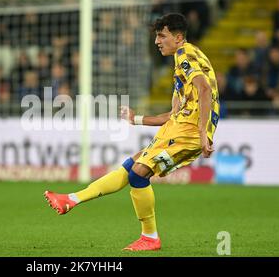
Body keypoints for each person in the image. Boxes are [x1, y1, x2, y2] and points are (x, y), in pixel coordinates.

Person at [44, 13, 219, 251]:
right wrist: (134, 119)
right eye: (157, 36)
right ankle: (71, 200)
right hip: (177, 127)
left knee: (139, 173)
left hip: (187, 131)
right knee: (130, 167)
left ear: (178, 38)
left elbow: (205, 90)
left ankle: (150, 237)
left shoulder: (184, 54)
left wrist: (202, 133)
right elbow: (171, 115)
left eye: (162, 36)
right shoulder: (185, 63)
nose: (157, 41)